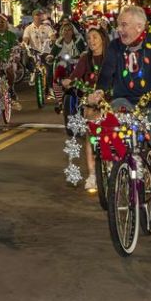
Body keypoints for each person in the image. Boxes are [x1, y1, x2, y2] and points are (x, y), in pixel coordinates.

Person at [89, 6, 151, 233]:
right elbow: (106, 73)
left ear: (139, 26)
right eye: (119, 24)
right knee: (108, 128)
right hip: (124, 100)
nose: (119, 29)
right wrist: (99, 91)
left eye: (124, 24)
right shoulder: (116, 46)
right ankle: (117, 169)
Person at [63, 26, 109, 192]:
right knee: (90, 136)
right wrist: (68, 81)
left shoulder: (111, 57)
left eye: (95, 37)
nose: (91, 41)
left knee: (110, 135)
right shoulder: (85, 58)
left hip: (109, 101)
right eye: (89, 38)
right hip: (90, 101)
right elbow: (75, 75)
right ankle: (92, 175)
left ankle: (111, 166)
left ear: (102, 39)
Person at [49, 22, 85, 111]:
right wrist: (50, 57)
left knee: (82, 78)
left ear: (72, 32)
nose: (67, 32)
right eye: (65, 30)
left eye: (69, 30)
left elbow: (84, 51)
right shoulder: (58, 42)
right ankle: (60, 102)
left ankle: (82, 99)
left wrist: (82, 55)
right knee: (56, 78)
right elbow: (53, 53)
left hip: (76, 63)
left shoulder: (78, 41)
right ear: (62, 32)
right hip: (63, 62)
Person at [22, 9, 56, 95]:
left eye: (40, 15)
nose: (39, 17)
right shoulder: (28, 28)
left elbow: (52, 36)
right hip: (34, 52)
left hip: (45, 51)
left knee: (49, 69)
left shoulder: (47, 27)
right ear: (33, 17)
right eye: (37, 15)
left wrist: (52, 39)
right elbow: (26, 38)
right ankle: (32, 72)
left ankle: (50, 87)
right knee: (25, 61)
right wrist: (24, 43)